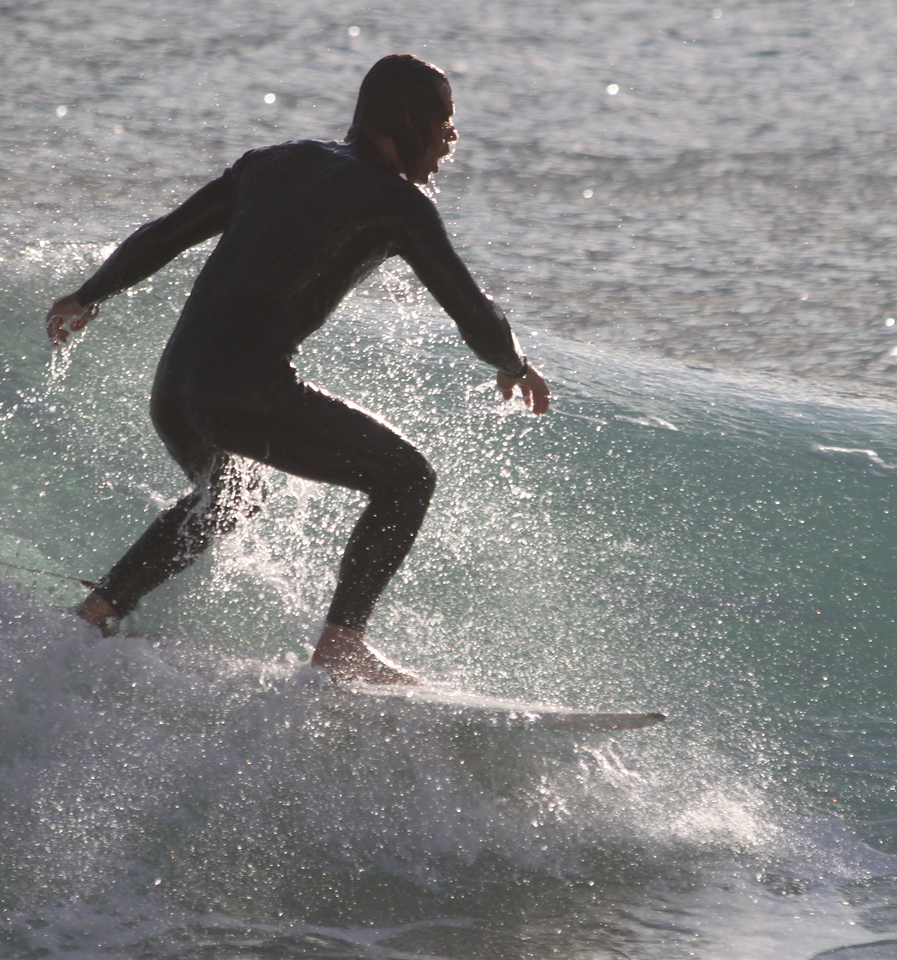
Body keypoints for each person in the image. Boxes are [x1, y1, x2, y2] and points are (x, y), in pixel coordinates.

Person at [45, 54, 550, 684]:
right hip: (242, 389)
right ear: (407, 120)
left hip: (175, 387)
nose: (452, 136)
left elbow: (168, 232)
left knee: (231, 498)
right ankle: (342, 646)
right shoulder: (399, 203)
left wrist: (88, 294)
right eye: (444, 120)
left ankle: (95, 613)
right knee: (408, 480)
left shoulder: (274, 162)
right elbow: (468, 306)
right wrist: (512, 362)